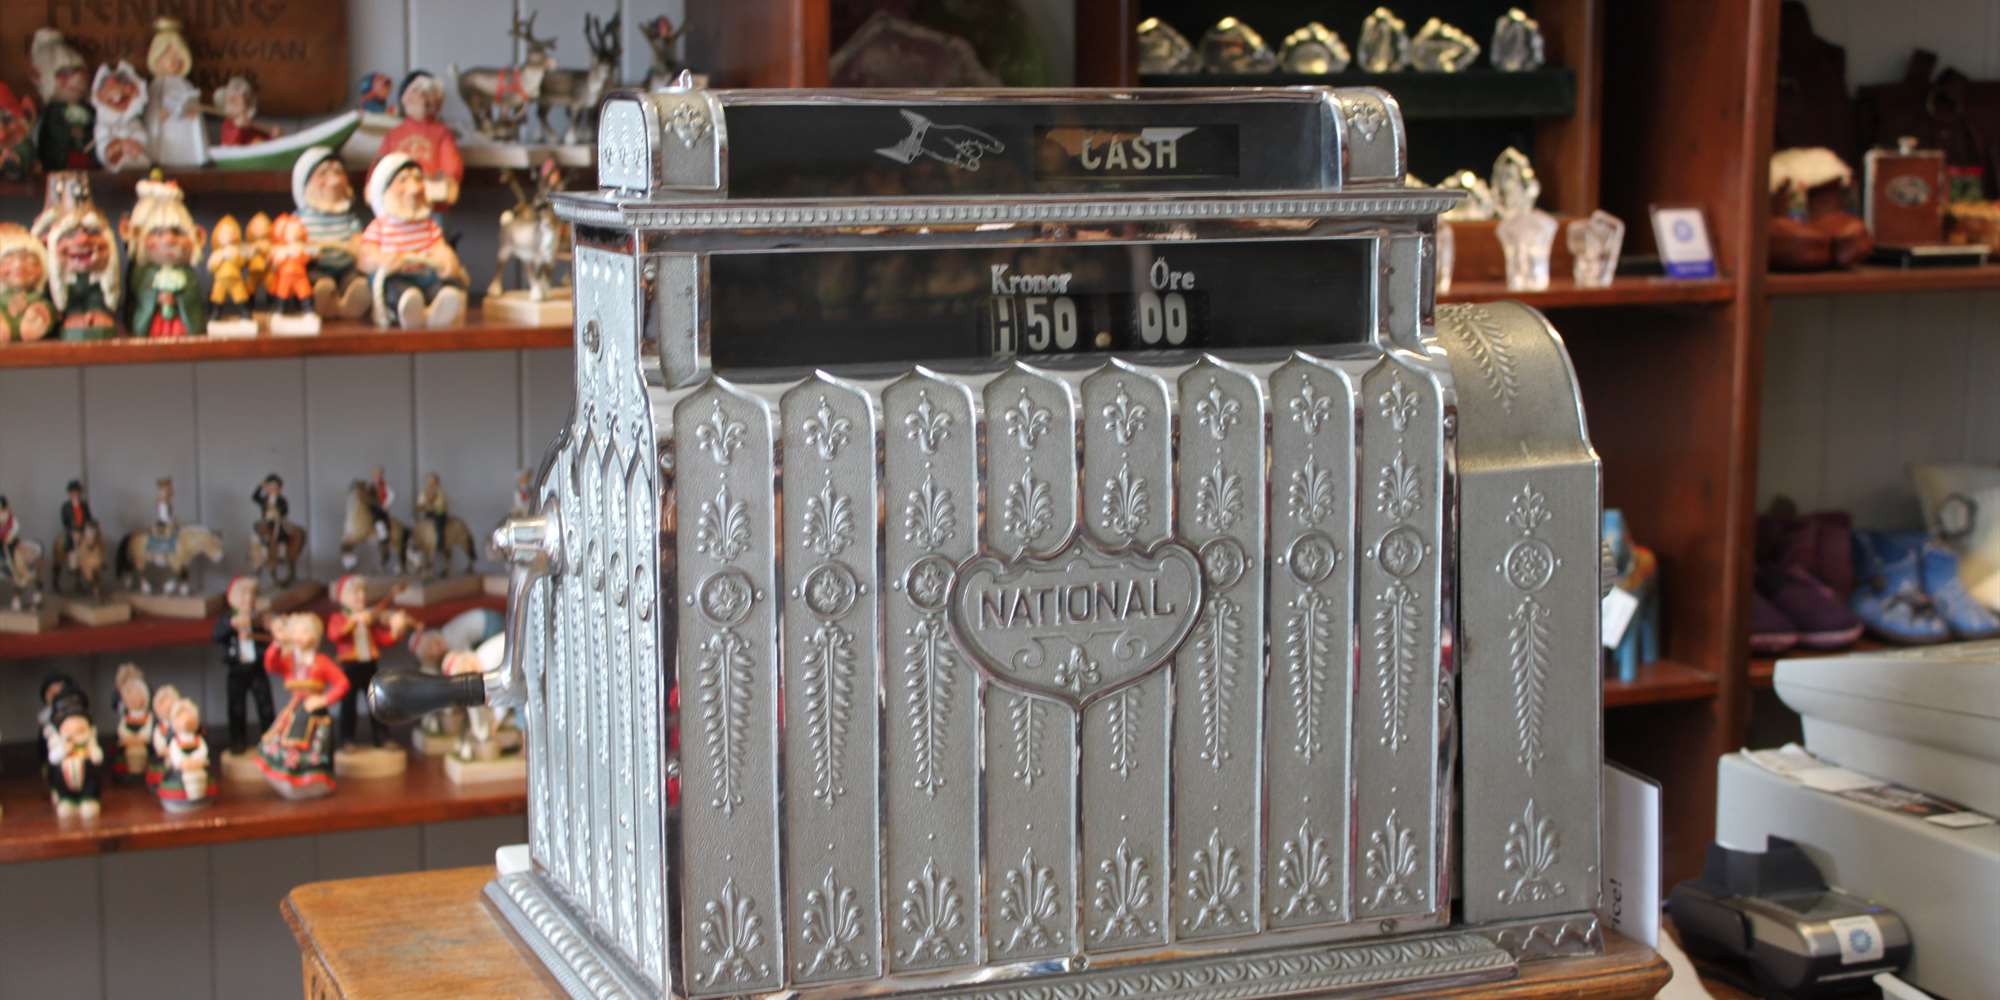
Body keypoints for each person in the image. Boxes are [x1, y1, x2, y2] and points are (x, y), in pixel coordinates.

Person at [358, 153, 468, 328]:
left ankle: (438, 311)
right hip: (397, 277)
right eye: (403, 181)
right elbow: (365, 257)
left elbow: (439, 247)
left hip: (425, 276)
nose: (415, 189)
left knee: (445, 287)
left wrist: (447, 260)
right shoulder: (379, 226)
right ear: (385, 190)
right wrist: (381, 260)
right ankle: (410, 311)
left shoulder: (428, 226)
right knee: (396, 290)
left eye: (418, 179)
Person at [257, 613, 347, 799]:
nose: (299, 636)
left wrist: (324, 699)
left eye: (305, 632)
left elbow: (342, 683)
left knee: (312, 748)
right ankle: (289, 778)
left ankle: (313, 780)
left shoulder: (321, 661)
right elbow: (271, 665)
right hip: (294, 709)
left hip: (314, 714)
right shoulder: (290, 659)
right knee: (283, 741)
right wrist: (277, 644)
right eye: (296, 632)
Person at [325, 575, 413, 747]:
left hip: (369, 665)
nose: (361, 597)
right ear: (342, 597)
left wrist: (395, 632)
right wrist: (352, 621)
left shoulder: (367, 619)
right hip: (350, 666)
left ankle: (382, 736)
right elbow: (335, 635)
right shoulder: (339, 618)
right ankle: (347, 739)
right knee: (348, 704)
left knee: (376, 702)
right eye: (355, 593)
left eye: (362, 592)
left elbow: (380, 638)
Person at [290, 146, 370, 319]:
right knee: (316, 281)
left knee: (355, 281)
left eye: (338, 173)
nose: (334, 181)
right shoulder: (299, 220)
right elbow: (292, 242)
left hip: (345, 267)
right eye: (323, 174)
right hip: (317, 267)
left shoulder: (348, 218)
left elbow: (359, 240)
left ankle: (350, 304)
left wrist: (358, 248)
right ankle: (322, 302)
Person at [124, 177, 207, 338]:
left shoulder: (188, 274)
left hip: (179, 325)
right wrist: (156, 297)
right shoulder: (143, 273)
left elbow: (193, 297)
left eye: (177, 232)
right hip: (155, 323)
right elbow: (141, 295)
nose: (169, 240)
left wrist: (179, 299)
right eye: (158, 233)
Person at [374, 71, 462, 205]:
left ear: (437, 104)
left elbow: (452, 170)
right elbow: (378, 167)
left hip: (429, 200)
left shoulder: (442, 133)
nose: (421, 97)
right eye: (415, 91)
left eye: (427, 93)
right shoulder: (393, 134)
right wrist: (373, 185)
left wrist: (445, 184)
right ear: (404, 99)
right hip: (397, 200)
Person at [213, 576, 277, 753]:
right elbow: (217, 635)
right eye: (243, 595)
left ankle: (269, 740)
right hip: (237, 670)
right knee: (237, 708)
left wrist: (270, 626)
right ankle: (238, 742)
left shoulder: (259, 619)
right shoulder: (228, 619)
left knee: (265, 707)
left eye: (251, 595)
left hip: (257, 669)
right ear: (232, 598)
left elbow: (270, 638)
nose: (248, 600)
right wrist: (231, 624)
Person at [144, 18, 206, 168]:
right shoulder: (158, 85)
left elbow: (193, 106)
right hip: (167, 134)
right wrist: (160, 114)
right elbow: (152, 111)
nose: (174, 61)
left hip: (184, 131)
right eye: (168, 56)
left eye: (177, 56)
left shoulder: (185, 84)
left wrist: (193, 112)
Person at [416, 472, 450, 547]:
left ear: (437, 483)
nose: (431, 484)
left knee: (438, 528)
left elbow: (442, 505)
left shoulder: (440, 492)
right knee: (420, 527)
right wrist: (422, 506)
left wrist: (432, 507)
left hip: (439, 514)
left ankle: (440, 544)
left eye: (433, 482)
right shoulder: (424, 493)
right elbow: (419, 505)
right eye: (429, 482)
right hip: (428, 514)